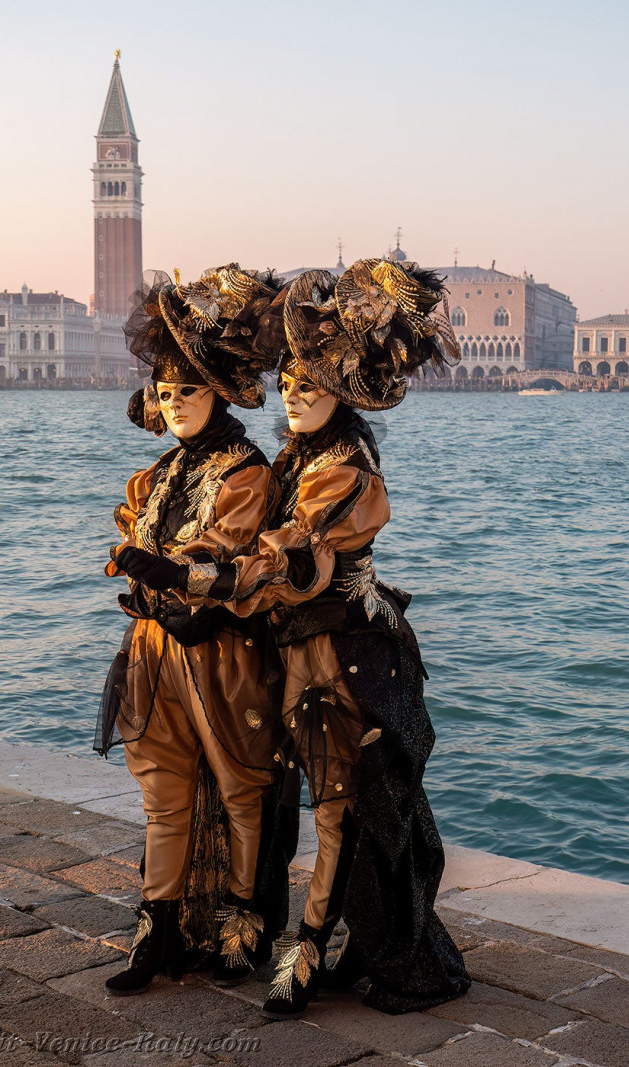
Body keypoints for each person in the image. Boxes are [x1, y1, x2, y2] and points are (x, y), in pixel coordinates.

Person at [115, 258, 472, 1017]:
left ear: (343, 387)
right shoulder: (298, 455)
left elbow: (290, 560)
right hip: (298, 651)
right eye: (286, 381)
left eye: (310, 382)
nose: (294, 393)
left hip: (348, 656)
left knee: (341, 804)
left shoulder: (344, 470)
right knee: (310, 798)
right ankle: (283, 932)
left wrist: (189, 579)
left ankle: (305, 949)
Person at [97, 265, 296, 996]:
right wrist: (142, 570)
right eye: (165, 390)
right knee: (163, 791)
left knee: (242, 787)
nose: (174, 401)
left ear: (219, 390)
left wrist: (164, 567)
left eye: (188, 388)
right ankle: (158, 928)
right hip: (152, 652)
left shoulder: (247, 471)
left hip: (222, 656)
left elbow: (228, 554)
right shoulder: (157, 475)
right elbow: (137, 543)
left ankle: (241, 926)